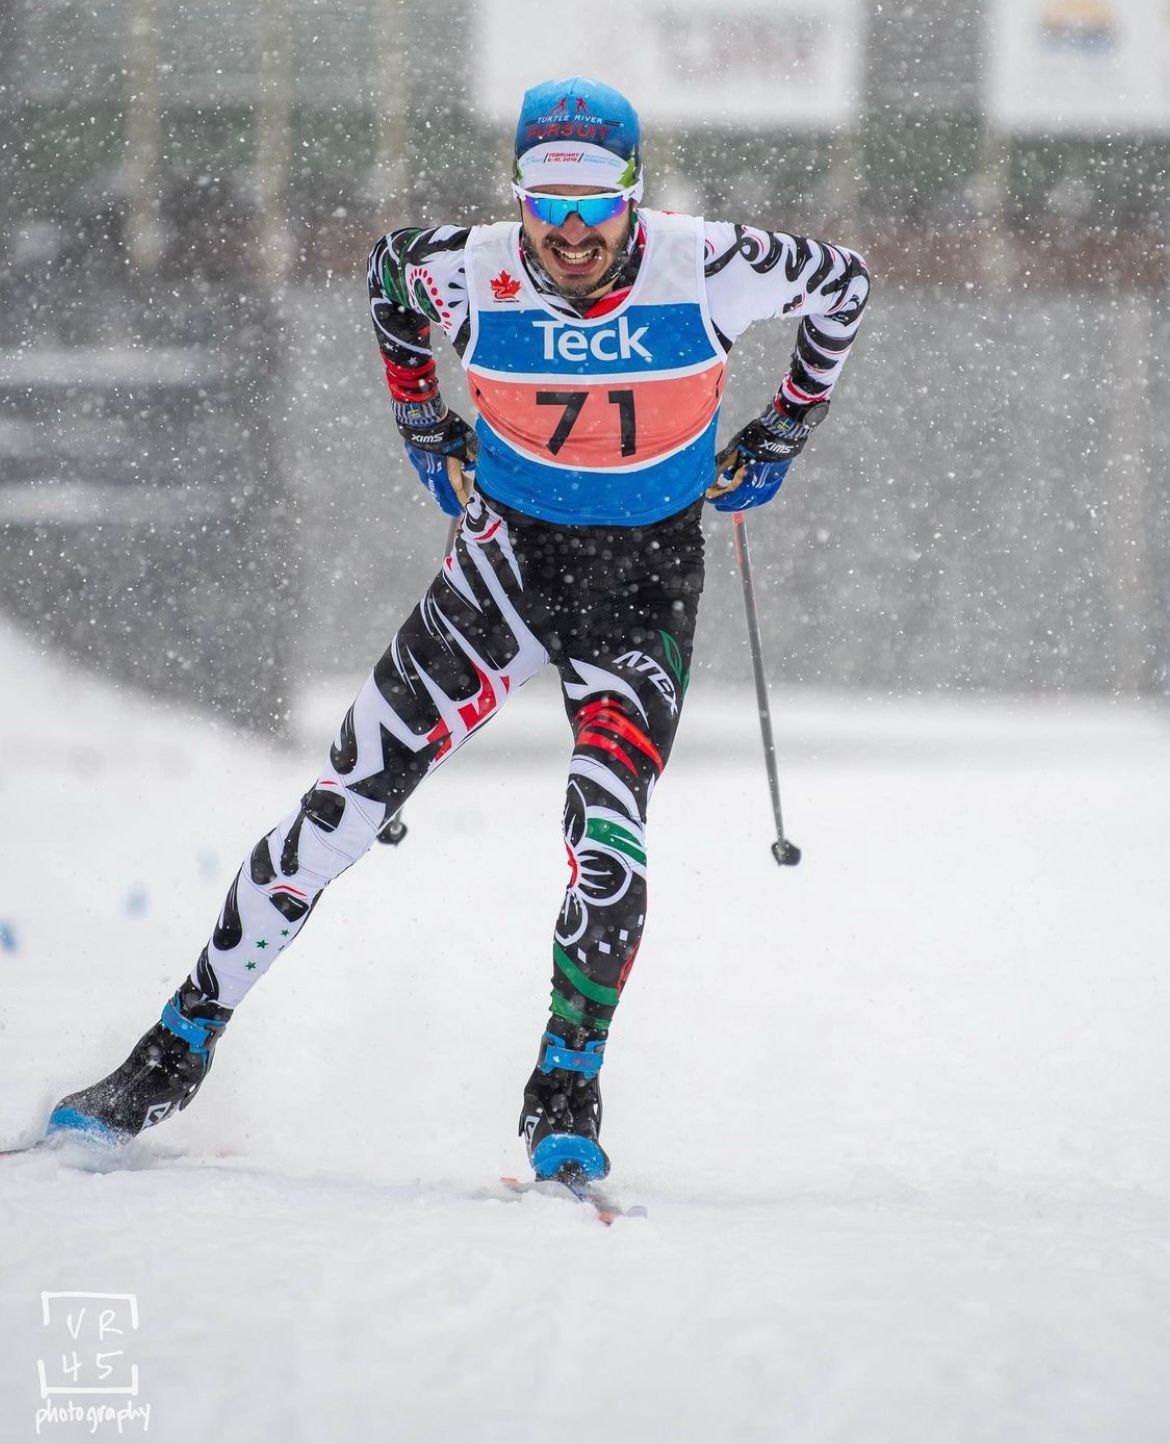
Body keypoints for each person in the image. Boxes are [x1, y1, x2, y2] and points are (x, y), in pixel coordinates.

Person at [48, 77, 870, 1185]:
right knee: (340, 809)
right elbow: (389, 278)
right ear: (519, 194)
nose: (570, 231)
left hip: (640, 592)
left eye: (595, 204)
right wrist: (420, 418)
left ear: (633, 196)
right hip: (503, 574)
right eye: (547, 201)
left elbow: (845, 288)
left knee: (609, 835)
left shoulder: (709, 262)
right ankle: (172, 1048)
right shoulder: (466, 266)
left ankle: (565, 1086)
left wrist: (783, 431)